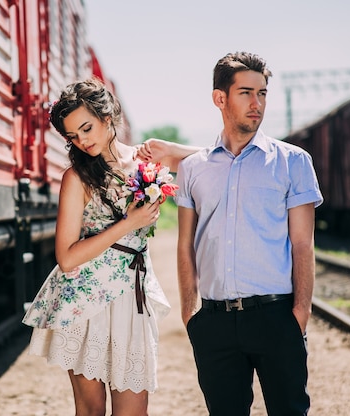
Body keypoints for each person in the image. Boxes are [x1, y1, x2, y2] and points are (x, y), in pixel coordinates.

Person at [22, 78, 193, 416]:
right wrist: (128, 223)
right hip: (86, 304)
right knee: (91, 412)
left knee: (134, 412)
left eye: (86, 128)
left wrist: (171, 148)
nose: (82, 141)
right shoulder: (78, 178)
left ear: (107, 116)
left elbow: (216, 161)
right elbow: (67, 258)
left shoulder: (147, 164)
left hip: (132, 297)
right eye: (72, 136)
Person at [174, 51, 324, 415]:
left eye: (263, 93)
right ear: (220, 98)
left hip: (275, 317)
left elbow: (303, 244)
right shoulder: (193, 169)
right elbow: (184, 245)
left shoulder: (293, 161)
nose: (257, 103)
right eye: (245, 93)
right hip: (214, 323)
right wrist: (190, 314)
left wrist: (299, 313)